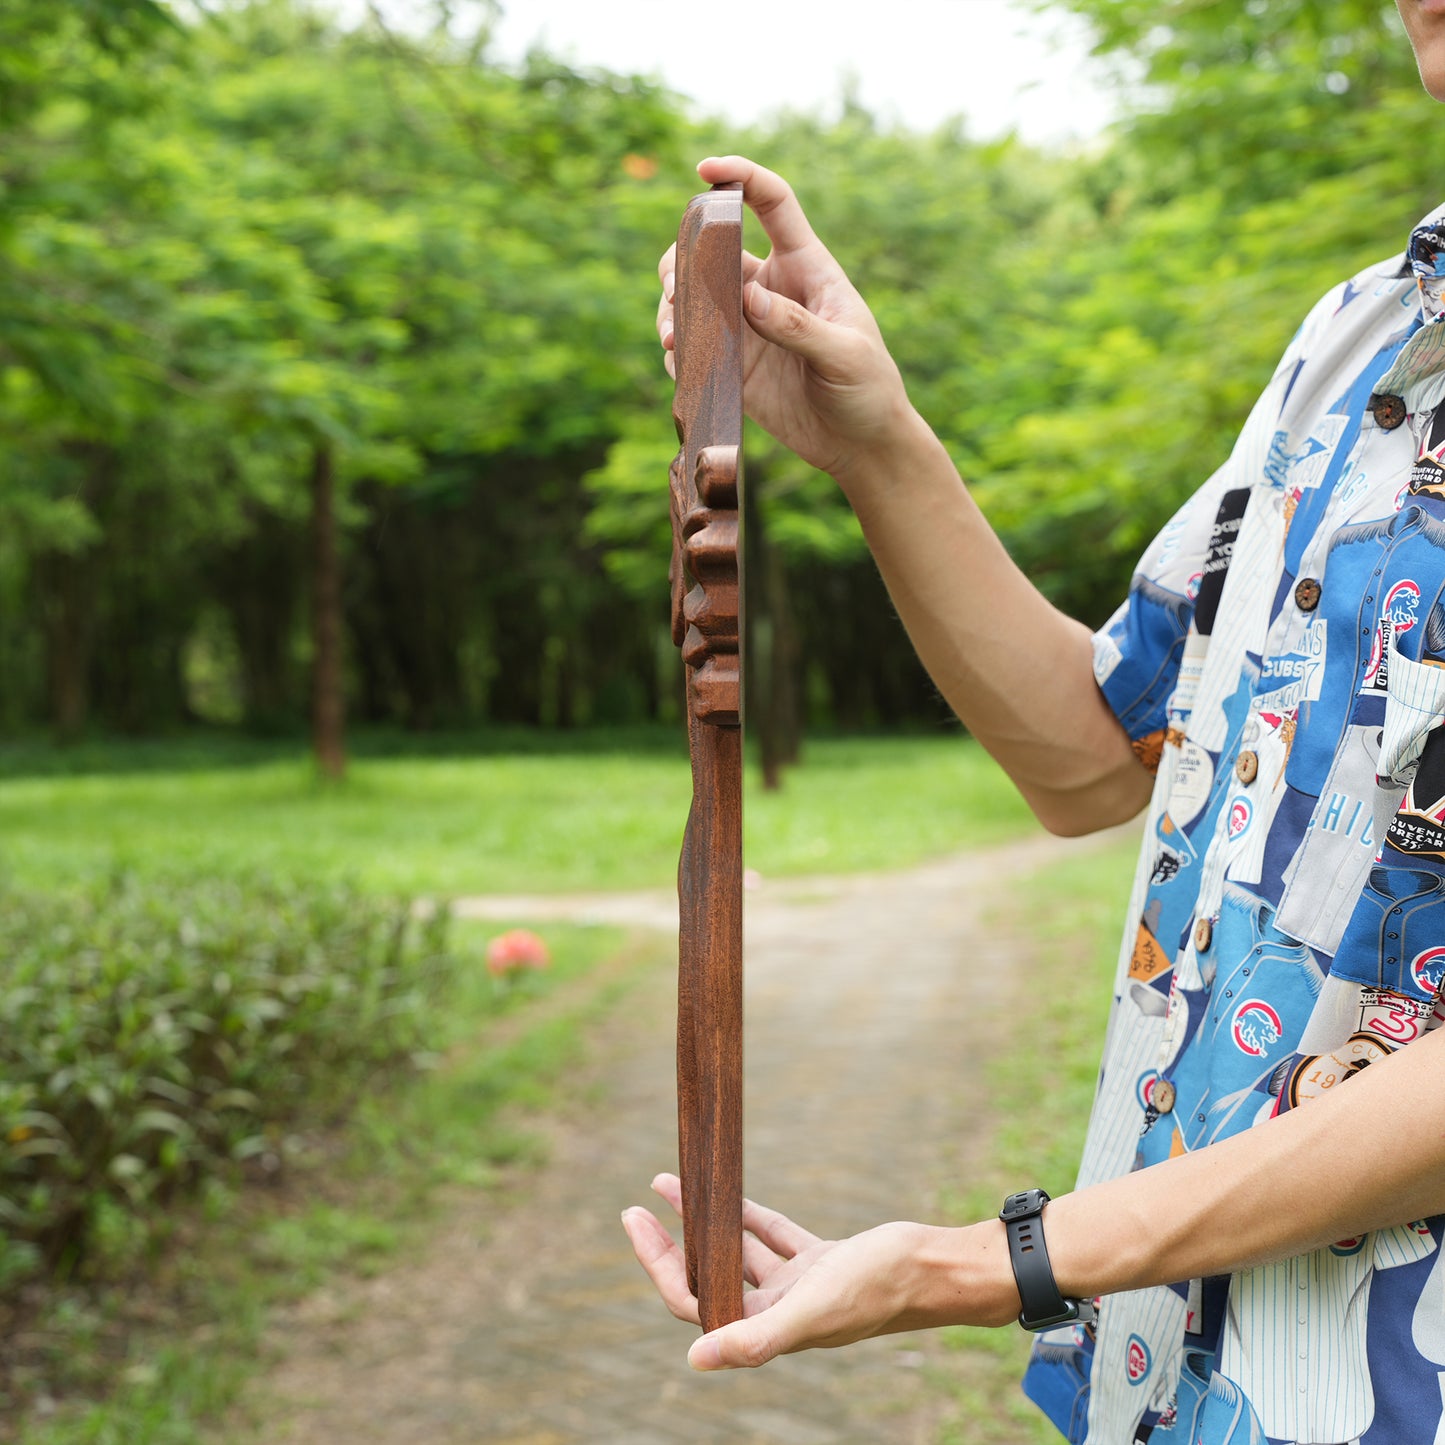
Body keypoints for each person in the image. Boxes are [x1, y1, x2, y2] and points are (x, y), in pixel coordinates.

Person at [622, 5, 1445, 1440]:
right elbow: (1091, 754)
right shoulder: (1359, 339)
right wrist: (870, 434)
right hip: (1185, 1391)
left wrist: (984, 1260)